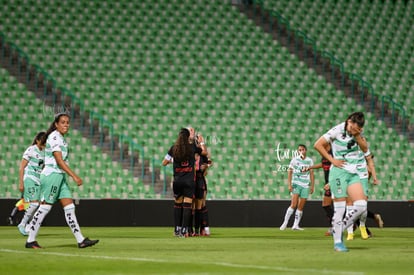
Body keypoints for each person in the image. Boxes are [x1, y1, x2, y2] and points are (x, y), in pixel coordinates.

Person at [25, 113, 99, 249]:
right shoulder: (54, 137)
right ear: (56, 124)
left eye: (67, 123)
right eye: (63, 122)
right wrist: (74, 176)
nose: (66, 125)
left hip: (60, 176)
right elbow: (59, 161)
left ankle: (81, 240)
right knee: (45, 207)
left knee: (70, 207)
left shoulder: (61, 139)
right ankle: (30, 240)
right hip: (52, 175)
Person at [314, 112, 369, 252]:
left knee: (361, 205)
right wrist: (332, 160)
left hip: (353, 173)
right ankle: (338, 243)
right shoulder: (337, 130)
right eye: (351, 126)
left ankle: (339, 227)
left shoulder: (357, 134)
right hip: (338, 172)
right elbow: (318, 145)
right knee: (340, 209)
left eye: (355, 128)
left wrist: (357, 135)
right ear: (348, 121)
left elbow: (365, 149)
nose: (351, 129)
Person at [162, 127, 208, 237]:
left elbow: (164, 162)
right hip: (189, 181)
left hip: (177, 181)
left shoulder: (174, 148)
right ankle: (184, 230)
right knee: (187, 206)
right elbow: (204, 152)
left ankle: (176, 230)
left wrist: (174, 160)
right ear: (188, 136)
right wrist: (201, 142)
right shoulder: (192, 147)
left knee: (177, 205)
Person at [17, 132, 46, 236]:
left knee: (39, 205)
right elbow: (22, 167)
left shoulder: (45, 152)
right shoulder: (31, 150)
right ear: (37, 140)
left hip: (38, 180)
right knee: (34, 204)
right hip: (29, 178)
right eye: (42, 141)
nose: (44, 143)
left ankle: (29, 226)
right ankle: (22, 224)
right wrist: (21, 183)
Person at [280, 144, 314, 231]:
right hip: (296, 183)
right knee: (293, 204)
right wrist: (289, 185)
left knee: (301, 206)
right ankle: (285, 222)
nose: (301, 151)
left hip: (305, 185)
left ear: (305, 150)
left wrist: (312, 186)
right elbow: (290, 172)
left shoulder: (309, 161)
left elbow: (311, 174)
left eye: (303, 149)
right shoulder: (295, 160)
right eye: (299, 150)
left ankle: (295, 225)